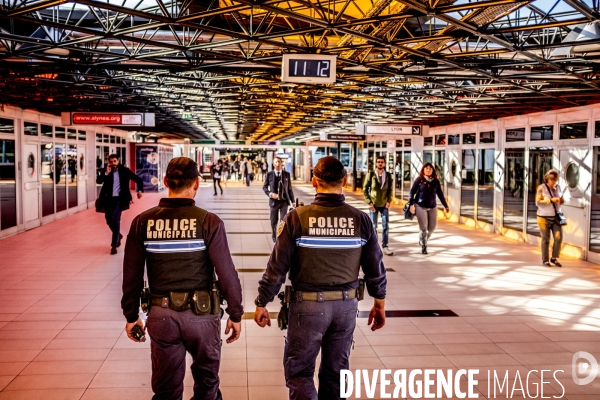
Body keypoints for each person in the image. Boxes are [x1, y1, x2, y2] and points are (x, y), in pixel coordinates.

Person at [254, 156, 387, 400]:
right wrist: (379, 302)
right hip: (346, 307)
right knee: (337, 373)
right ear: (345, 182)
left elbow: (277, 267)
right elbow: (375, 267)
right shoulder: (361, 219)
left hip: (307, 307)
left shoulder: (296, 218)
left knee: (300, 372)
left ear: (314, 182)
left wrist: (262, 301)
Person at [121, 157, 243, 400]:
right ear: (196, 183)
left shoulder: (143, 222)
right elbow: (226, 272)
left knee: (166, 390)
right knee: (207, 386)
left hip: (162, 316)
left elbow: (131, 275)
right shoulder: (209, 222)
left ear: (166, 181)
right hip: (203, 316)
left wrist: (131, 315)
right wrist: (236, 313)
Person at [96, 154, 144, 255]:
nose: (112, 164)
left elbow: (138, 180)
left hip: (119, 200)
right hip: (107, 200)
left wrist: (140, 190)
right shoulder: (107, 171)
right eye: (111, 162)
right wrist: (105, 173)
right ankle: (118, 235)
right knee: (109, 220)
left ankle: (114, 245)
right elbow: (99, 181)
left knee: (116, 221)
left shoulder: (124, 171)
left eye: (114, 161)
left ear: (118, 161)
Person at [408, 162, 449, 255]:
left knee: (432, 227)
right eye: (426, 168)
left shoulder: (436, 181)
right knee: (423, 228)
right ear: (423, 170)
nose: (428, 170)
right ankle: (424, 246)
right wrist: (411, 204)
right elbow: (412, 191)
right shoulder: (419, 180)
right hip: (420, 206)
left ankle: (423, 239)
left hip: (432, 206)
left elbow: (440, 194)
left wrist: (445, 205)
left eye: (430, 168)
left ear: (433, 170)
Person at [362, 156, 394, 255]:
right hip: (374, 204)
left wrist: (389, 201)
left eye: (382, 162)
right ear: (376, 164)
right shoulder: (371, 175)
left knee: (385, 226)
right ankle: (374, 246)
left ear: (384, 164)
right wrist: (369, 202)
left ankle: (385, 246)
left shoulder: (388, 175)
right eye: (378, 162)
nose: (380, 163)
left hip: (384, 204)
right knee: (374, 226)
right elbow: (365, 189)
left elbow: (390, 190)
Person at [536, 169, 564, 267]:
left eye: (555, 180)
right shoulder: (541, 188)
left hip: (556, 217)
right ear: (547, 179)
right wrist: (551, 200)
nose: (553, 182)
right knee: (545, 239)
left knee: (558, 237)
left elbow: (561, 199)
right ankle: (545, 260)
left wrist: (561, 200)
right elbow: (538, 202)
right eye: (552, 179)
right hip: (543, 218)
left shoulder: (558, 187)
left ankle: (554, 258)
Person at [263, 157, 294, 243]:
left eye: (279, 162)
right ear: (273, 164)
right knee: (273, 221)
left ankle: (281, 235)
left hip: (284, 201)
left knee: (283, 220)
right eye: (276, 162)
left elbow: (289, 189)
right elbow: (264, 187)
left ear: (281, 163)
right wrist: (270, 194)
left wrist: (293, 201)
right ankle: (274, 233)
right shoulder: (269, 174)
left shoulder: (286, 174)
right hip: (274, 202)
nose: (278, 163)